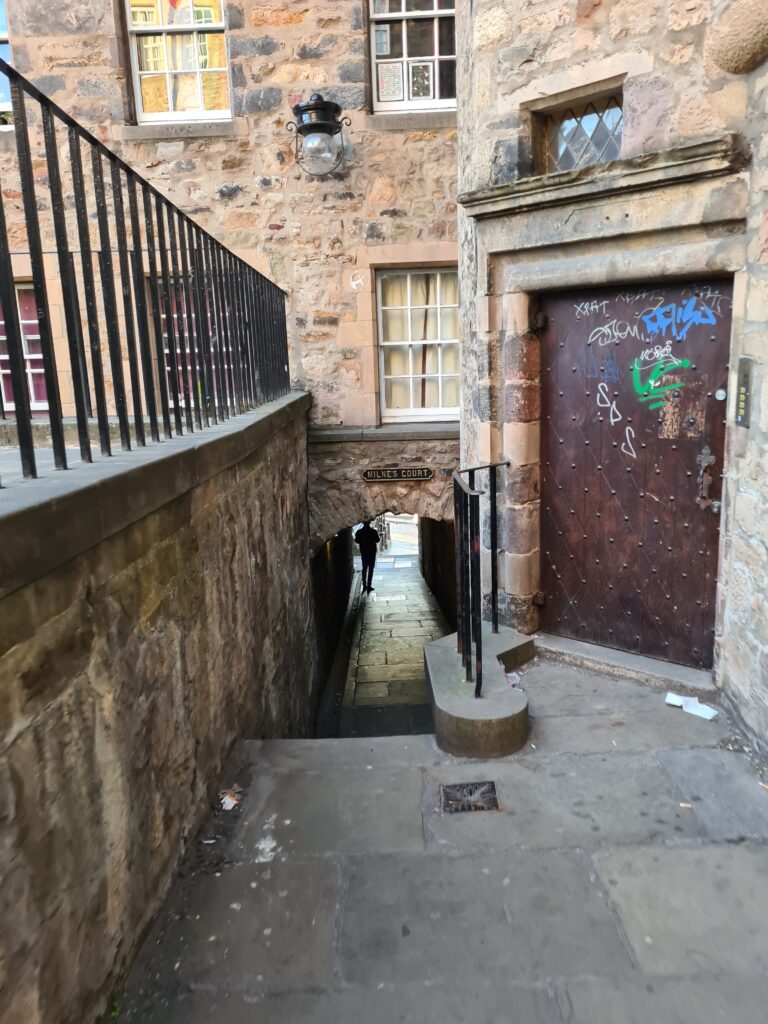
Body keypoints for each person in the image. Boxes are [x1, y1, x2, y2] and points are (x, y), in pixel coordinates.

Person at [355, 519, 380, 594]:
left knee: (364, 568)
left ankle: (364, 585)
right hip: (372, 552)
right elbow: (377, 540)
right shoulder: (373, 531)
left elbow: (357, 541)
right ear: (369, 522)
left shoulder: (359, 532)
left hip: (364, 552)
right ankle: (369, 585)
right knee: (371, 569)